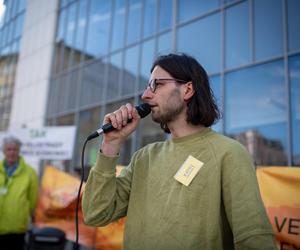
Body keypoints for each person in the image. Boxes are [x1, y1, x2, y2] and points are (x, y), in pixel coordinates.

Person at [82, 53, 277, 249]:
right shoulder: (144, 157)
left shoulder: (229, 153)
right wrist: (111, 144)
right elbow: (95, 214)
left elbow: (255, 240)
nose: (145, 95)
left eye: (156, 85)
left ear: (187, 89)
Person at [0, 136, 38, 250]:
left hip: (17, 227)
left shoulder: (30, 172)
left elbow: (33, 200)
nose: (11, 152)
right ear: (3, 151)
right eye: (8, 149)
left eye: (14, 149)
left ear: (19, 151)